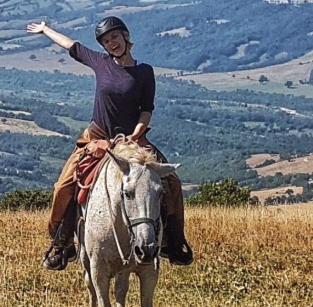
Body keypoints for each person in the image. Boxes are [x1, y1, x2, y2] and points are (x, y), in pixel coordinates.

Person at [28, 14, 192, 270]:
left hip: (134, 138)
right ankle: (62, 244)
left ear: (125, 36)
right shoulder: (100, 62)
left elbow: (146, 109)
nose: (111, 43)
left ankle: (174, 242)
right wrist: (45, 29)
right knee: (64, 184)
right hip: (96, 137)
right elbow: (71, 45)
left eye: (114, 36)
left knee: (171, 182)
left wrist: (136, 134)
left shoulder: (144, 72)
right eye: (105, 41)